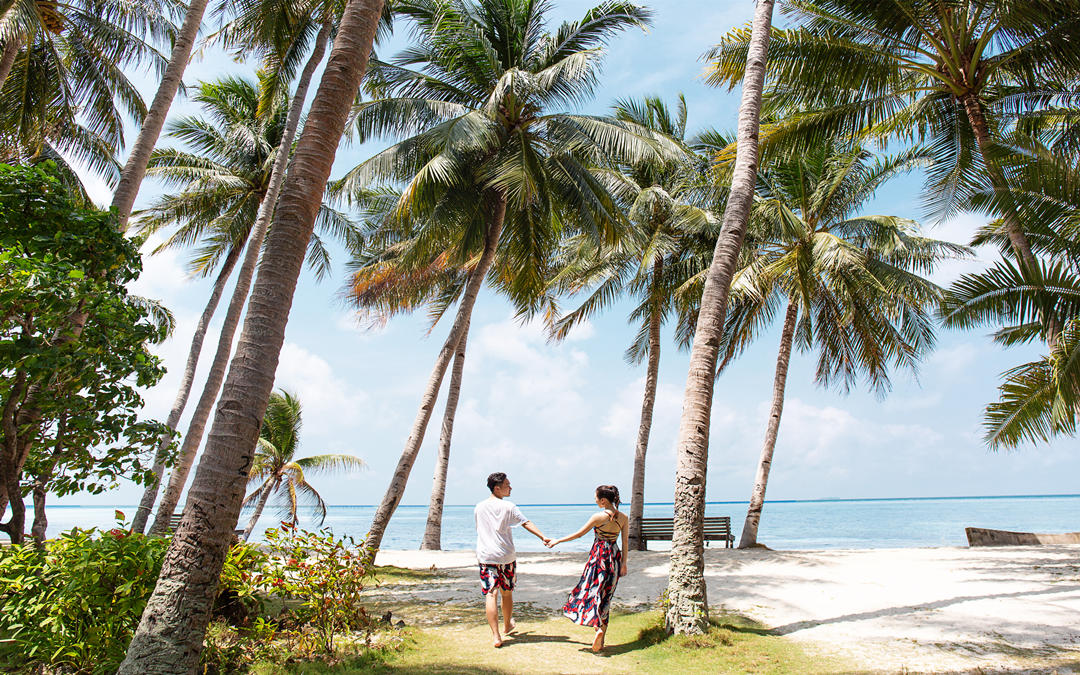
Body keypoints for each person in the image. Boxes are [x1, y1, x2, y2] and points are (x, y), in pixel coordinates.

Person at [546, 484, 628, 653]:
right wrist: (624, 564)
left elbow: (579, 534)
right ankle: (602, 639)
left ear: (603, 500)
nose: (595, 500)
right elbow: (625, 543)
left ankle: (597, 628)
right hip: (614, 558)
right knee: (606, 597)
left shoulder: (598, 517)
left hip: (599, 558)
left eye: (596, 498)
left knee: (591, 593)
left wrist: (558, 541)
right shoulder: (623, 517)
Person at [475, 472, 550, 648]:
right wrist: (543, 537)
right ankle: (507, 624)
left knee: (490, 594)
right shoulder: (509, 506)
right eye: (507, 485)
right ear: (497, 488)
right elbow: (525, 522)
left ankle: (496, 636)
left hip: (487, 557)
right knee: (506, 592)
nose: (510, 487)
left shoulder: (479, 507)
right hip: (506, 557)